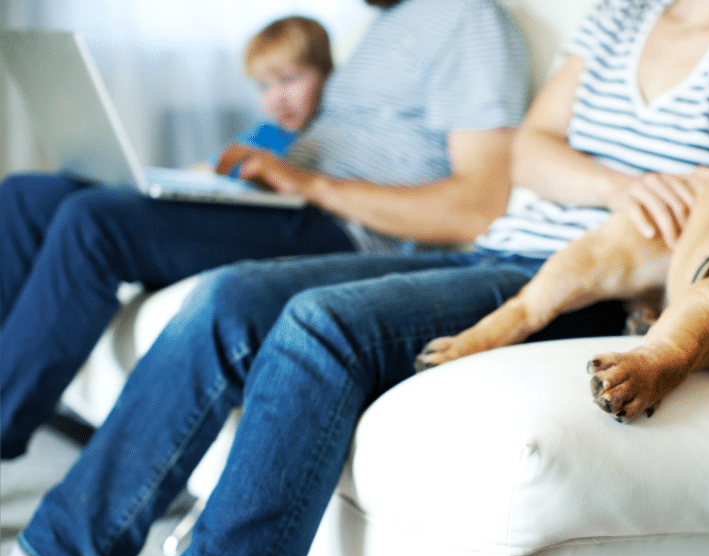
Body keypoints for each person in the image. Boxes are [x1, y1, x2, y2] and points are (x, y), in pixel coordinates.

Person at [3, 0, 709, 556]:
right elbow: (527, 150)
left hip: (591, 285)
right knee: (226, 296)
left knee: (316, 325)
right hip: (503, 243)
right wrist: (617, 182)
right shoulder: (618, 17)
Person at [0, 0, 530, 459]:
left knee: (94, 220)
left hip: (338, 228)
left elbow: (476, 206)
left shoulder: (470, 18)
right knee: (27, 195)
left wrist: (309, 183)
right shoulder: (382, 24)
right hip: (279, 202)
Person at [193, 15, 334, 173]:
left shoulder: (337, 133)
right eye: (263, 86)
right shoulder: (266, 135)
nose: (276, 98)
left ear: (326, 73)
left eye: (288, 79)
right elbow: (204, 170)